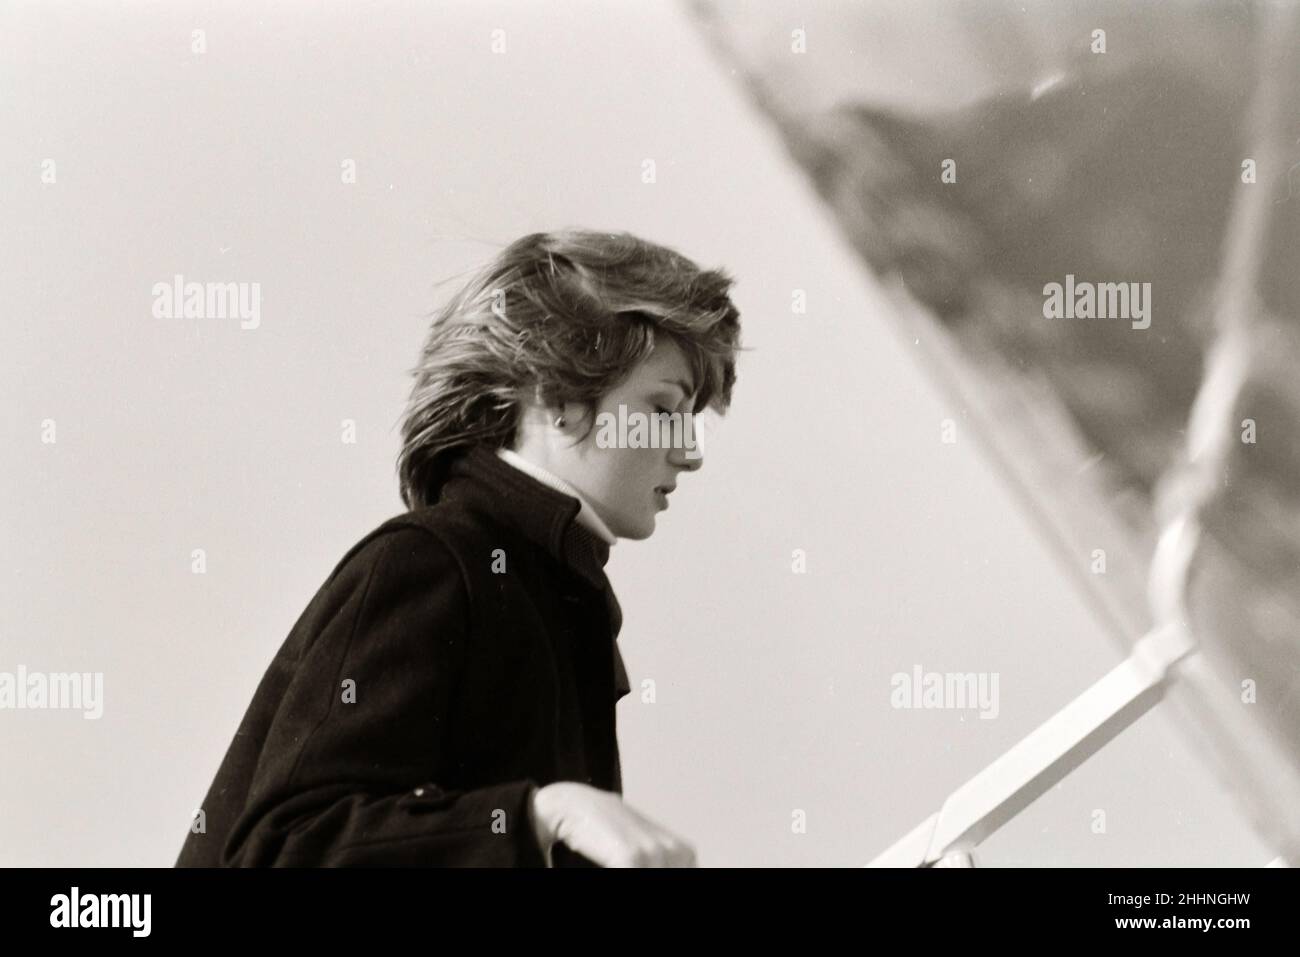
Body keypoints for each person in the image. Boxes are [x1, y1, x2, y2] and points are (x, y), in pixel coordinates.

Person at [175, 228, 743, 867]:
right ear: (557, 398)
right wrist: (538, 817)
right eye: (665, 408)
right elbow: (284, 850)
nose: (690, 453)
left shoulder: (549, 595)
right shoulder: (432, 563)